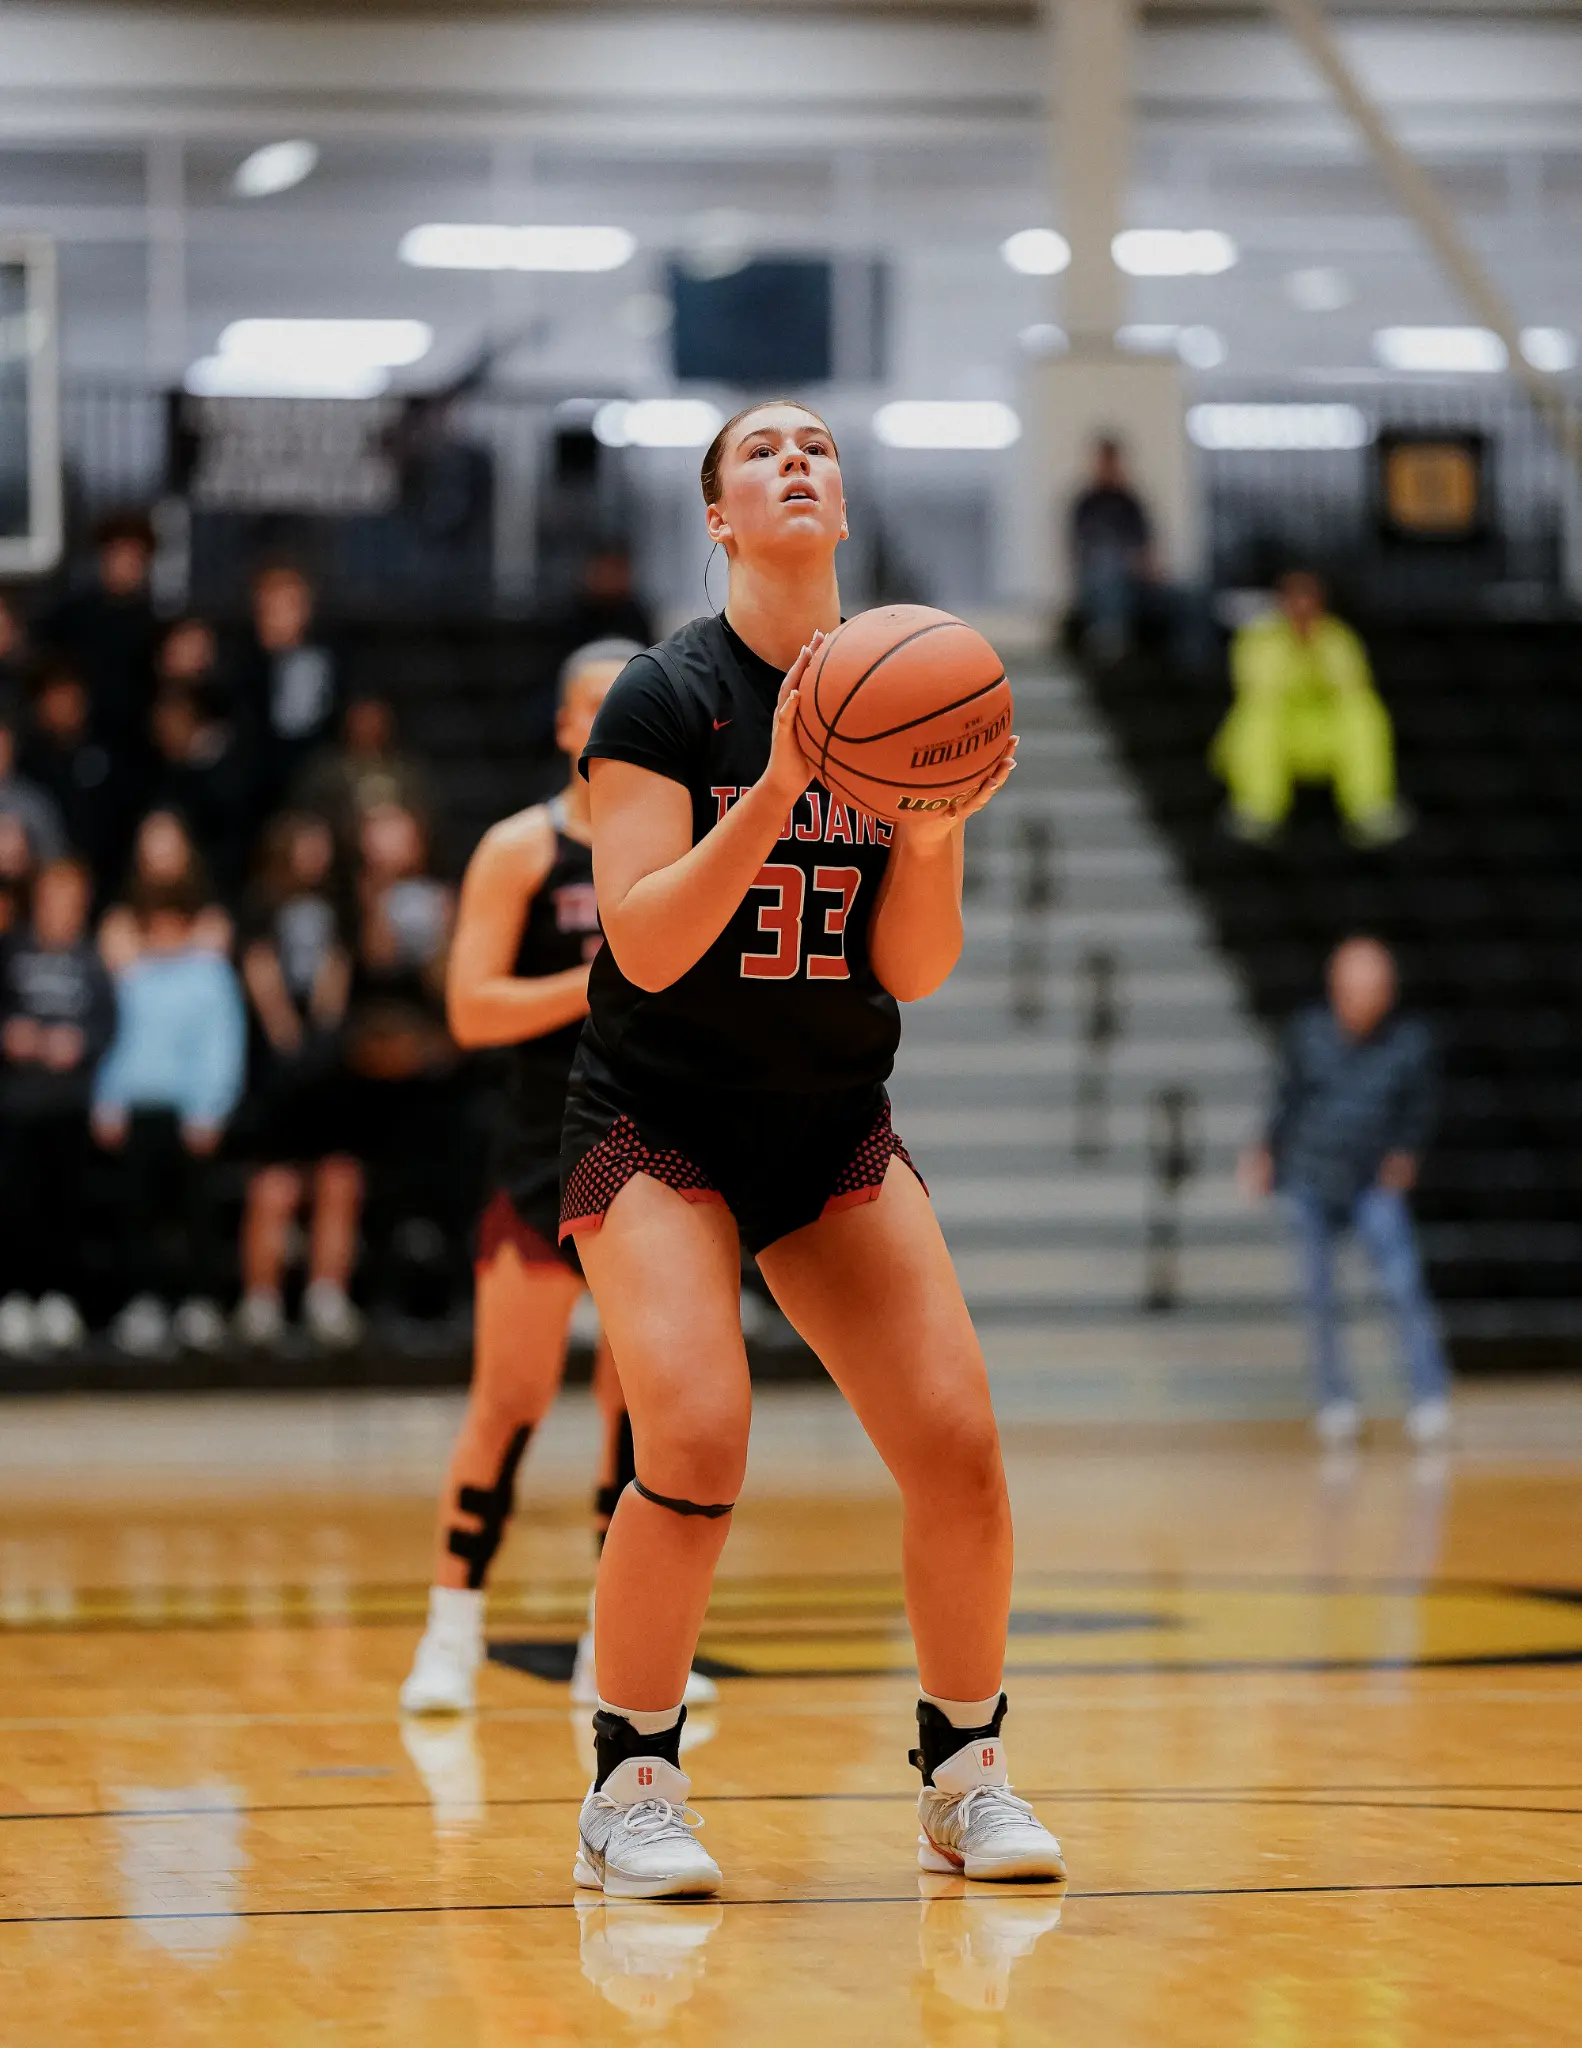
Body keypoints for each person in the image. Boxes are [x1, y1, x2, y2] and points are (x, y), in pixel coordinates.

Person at [558, 398, 1062, 1900]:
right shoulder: (660, 699)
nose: (795, 460)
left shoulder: (922, 687)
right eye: (760, 451)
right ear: (717, 517)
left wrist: (922, 823)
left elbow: (912, 964)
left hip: (829, 1120)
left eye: (817, 448)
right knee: (698, 1435)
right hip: (656, 1122)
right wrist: (780, 788)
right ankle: (630, 1784)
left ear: (839, 507)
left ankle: (964, 1771)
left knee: (958, 1449)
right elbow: (643, 947)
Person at [400, 640, 717, 1717]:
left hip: (649, 1149)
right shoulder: (519, 849)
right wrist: (596, 981)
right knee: (512, 1397)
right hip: (541, 1154)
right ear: (564, 725)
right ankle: (451, 1628)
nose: (614, 718)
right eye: (596, 703)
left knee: (641, 1412)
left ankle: (610, 1644)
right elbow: (469, 1009)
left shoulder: (684, 846)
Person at [1240, 936, 1451, 1447]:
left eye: (1376, 987)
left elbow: (1420, 1109)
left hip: (1371, 1183)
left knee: (1402, 1287)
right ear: (1337, 988)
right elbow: (1286, 1099)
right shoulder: (1308, 1034)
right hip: (1311, 1179)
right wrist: (1265, 1151)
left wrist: (1404, 1155)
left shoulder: (1410, 1043)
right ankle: (1336, 1401)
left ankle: (1429, 1397)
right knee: (1318, 1298)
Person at [92, 877, 247, 1357]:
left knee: (194, 1212)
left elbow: (222, 1045)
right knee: (138, 1211)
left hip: (190, 1115)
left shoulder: (209, 975)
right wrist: (107, 1098)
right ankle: (145, 1301)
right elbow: (114, 1040)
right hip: (138, 1108)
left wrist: (211, 1107)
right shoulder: (131, 976)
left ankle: (198, 1301)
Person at [233, 812, 363, 1352]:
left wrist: (321, 1036)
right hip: (274, 1065)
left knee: (338, 1178)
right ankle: (261, 1299)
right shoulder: (263, 902)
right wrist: (286, 1035)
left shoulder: (338, 904)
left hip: (326, 1062)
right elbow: (259, 968)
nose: (316, 854)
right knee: (275, 1184)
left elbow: (339, 967)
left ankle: (325, 1294)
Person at [0, 857, 116, 1356]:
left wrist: (80, 1043)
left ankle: (59, 1298)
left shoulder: (90, 961)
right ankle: (14, 1299)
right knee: (14, 1206)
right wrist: (11, 1035)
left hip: (69, 1104)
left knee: (62, 1206)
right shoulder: (11, 952)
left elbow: (107, 1024)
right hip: (17, 1103)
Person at [1211, 570, 1407, 847]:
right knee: (1258, 718)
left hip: (1324, 733)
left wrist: (1313, 648)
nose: (1302, 606)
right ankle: (1257, 810)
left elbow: (1351, 684)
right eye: (1295, 598)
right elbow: (1259, 687)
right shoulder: (1258, 638)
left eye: (1308, 598)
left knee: (1363, 713)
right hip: (1280, 732)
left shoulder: (1338, 637)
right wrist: (1300, 655)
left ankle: (1370, 810)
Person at [42, 510, 158, 768]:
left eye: (133, 557)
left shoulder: (154, 625)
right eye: (117, 555)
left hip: (137, 746)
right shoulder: (69, 616)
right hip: (73, 740)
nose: (124, 564)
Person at [237, 563, 341, 818]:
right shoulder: (242, 666)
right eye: (270, 606)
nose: (278, 616)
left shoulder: (327, 660)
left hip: (315, 783)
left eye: (288, 605)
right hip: (256, 791)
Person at [290, 692, 434, 865]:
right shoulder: (327, 771)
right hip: (343, 848)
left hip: (400, 847)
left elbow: (424, 811)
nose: (368, 725)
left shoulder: (407, 769)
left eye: (374, 718)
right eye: (362, 719)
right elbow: (311, 815)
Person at [21, 658, 118, 889]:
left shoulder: (111, 756)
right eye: (54, 696)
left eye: (70, 695)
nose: (63, 705)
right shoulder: (29, 762)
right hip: (43, 881)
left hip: (106, 877)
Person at [1067, 437, 1155, 662]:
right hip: (1097, 583)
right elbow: (1081, 551)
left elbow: (1146, 549)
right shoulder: (1086, 504)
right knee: (1108, 566)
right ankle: (1110, 641)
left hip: (1134, 582)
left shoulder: (1130, 503)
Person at [0, 695, 67, 870]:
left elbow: (55, 866)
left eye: (2, 745)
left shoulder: (34, 804)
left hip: (24, 891)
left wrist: (26, 859)